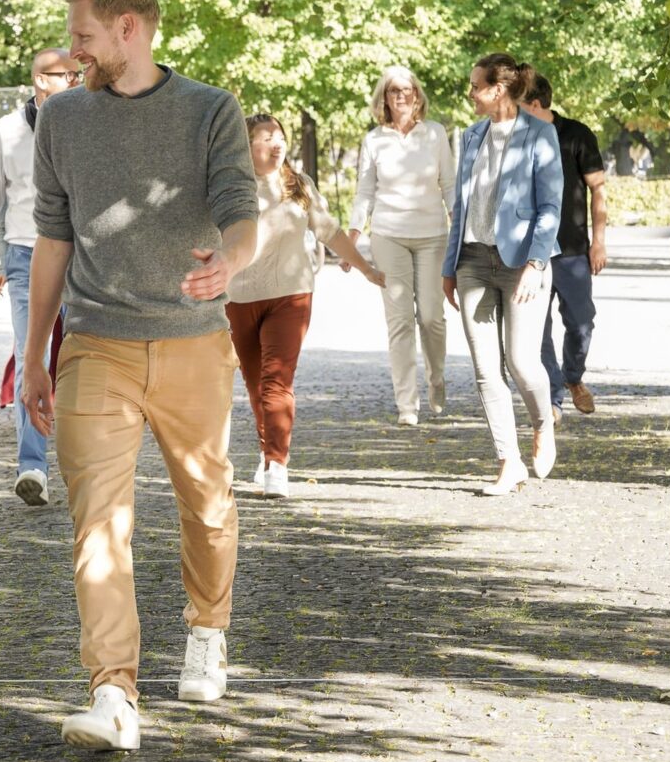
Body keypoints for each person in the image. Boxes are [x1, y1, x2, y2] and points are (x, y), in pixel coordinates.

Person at [21, 0, 258, 753]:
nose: (73, 50)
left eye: (84, 35)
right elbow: (53, 241)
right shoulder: (61, 120)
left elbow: (240, 212)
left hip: (193, 338)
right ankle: (114, 689)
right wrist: (34, 355)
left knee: (209, 503)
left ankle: (208, 628)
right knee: (98, 520)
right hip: (96, 341)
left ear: (130, 29)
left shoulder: (210, 110)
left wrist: (229, 261)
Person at [229, 113, 383, 497]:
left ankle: (277, 464)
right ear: (246, 146)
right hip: (239, 297)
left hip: (291, 294)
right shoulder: (230, 186)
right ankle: (268, 452)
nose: (276, 143)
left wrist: (365, 268)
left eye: (279, 136)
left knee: (276, 382)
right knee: (254, 385)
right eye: (265, 137)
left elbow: (328, 230)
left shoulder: (299, 185)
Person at [0, 48, 83, 507]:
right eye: (63, 74)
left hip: (80, 256)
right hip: (23, 255)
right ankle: (32, 465)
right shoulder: (6, 133)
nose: (73, 79)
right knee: (30, 355)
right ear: (39, 79)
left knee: (81, 359)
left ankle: (81, 461)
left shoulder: (88, 124)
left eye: (77, 72)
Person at [441, 53, 563, 497]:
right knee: (484, 369)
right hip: (472, 260)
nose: (470, 93)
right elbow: (461, 205)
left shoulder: (540, 135)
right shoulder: (471, 136)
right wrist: (448, 267)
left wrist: (536, 263)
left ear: (499, 89)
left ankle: (543, 420)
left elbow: (551, 209)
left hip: (522, 264)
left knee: (520, 360)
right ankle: (508, 461)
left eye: (476, 86)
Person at [346, 65, 455, 426]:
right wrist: (353, 234)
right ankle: (407, 404)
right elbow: (365, 190)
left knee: (430, 316)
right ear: (385, 98)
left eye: (408, 90)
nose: (402, 96)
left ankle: (436, 377)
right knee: (400, 323)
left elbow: (449, 185)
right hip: (389, 235)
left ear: (417, 95)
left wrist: (459, 226)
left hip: (432, 235)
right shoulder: (374, 140)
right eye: (394, 90)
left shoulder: (435, 134)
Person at [522, 75, 607, 419]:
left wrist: (599, 242)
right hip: (533, 254)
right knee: (537, 328)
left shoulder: (577, 135)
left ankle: (574, 378)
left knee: (582, 322)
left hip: (573, 250)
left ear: (536, 105)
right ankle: (553, 397)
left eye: (519, 105)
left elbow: (598, 190)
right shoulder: (518, 138)